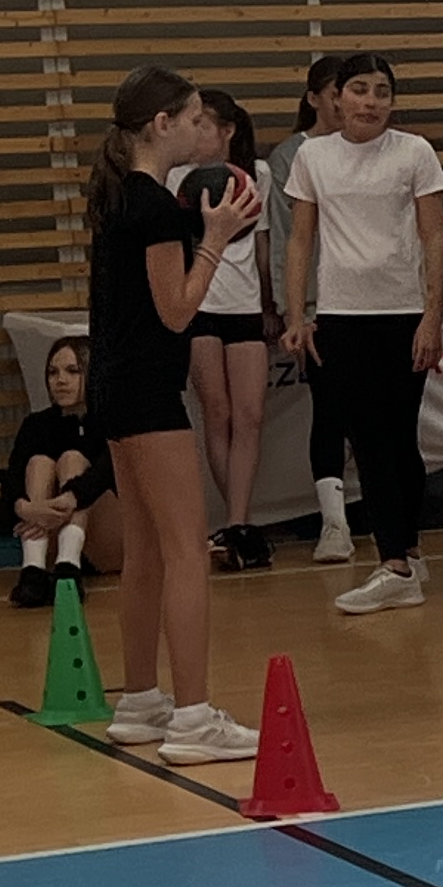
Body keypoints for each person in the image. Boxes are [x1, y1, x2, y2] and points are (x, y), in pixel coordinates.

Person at [83, 65, 270, 764]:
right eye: (193, 119)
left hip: (114, 385)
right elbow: (178, 310)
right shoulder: (154, 206)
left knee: (148, 551)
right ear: (161, 125)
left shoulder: (117, 196)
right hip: (147, 394)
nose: (203, 129)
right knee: (188, 550)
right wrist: (215, 238)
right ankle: (193, 717)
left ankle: (140, 700)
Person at [279, 50, 443, 615]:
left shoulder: (414, 151)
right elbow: (300, 239)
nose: (370, 102)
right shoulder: (313, 155)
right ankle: (394, 563)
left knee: (400, 438)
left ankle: (408, 548)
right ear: (336, 97)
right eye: (359, 89)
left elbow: (434, 237)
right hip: (341, 317)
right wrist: (296, 315)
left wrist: (432, 316)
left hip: (403, 313)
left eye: (382, 91)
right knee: (369, 438)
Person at [181, 89, 278, 568]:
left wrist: (272, 303)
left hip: (244, 305)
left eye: (204, 124)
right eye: (193, 123)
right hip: (198, 304)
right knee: (215, 412)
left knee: (250, 415)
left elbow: (262, 245)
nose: (196, 132)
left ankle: (238, 522)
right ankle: (239, 523)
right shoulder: (176, 176)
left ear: (227, 130)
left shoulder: (257, 174)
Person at [266, 52, 354, 561]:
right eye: (336, 93)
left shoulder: (384, 149)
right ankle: (334, 523)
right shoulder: (292, 157)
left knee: (379, 414)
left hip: (377, 301)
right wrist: (292, 311)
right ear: (315, 99)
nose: (346, 103)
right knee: (330, 409)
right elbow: (287, 240)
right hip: (322, 303)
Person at [5, 334, 115, 604]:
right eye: (53, 372)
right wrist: (26, 509)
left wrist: (70, 498)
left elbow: (106, 472)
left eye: (73, 371)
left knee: (72, 459)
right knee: (38, 463)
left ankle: (68, 568)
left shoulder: (110, 421)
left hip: (108, 535)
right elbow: (10, 484)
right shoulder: (36, 424)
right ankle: (33, 570)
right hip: (53, 530)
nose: (60, 380)